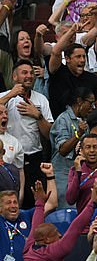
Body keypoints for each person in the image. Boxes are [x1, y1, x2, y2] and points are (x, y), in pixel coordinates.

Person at [24, 179, 97, 261]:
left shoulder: (28, 249)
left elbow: (36, 226)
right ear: (46, 240)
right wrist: (92, 204)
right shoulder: (51, 254)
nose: (60, 235)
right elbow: (75, 228)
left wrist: (40, 203)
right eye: (55, 233)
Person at [0, 60, 54, 208]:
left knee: (35, 203)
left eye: (31, 73)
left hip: (34, 157)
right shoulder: (5, 96)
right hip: (8, 158)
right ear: (14, 77)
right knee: (11, 202)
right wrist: (11, 94)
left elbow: (49, 133)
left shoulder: (41, 99)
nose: (29, 76)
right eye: (24, 73)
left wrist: (38, 116)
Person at [0, 164, 57, 261]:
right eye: (8, 203)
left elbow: (51, 204)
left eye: (15, 202)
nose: (13, 206)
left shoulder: (26, 215)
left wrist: (50, 176)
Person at [48, 17, 97, 118]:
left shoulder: (92, 79)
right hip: (61, 124)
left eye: (84, 56)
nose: (82, 60)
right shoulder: (58, 72)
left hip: (86, 123)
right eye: (78, 57)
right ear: (67, 59)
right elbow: (55, 51)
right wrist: (72, 31)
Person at [50, 87, 96, 208]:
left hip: (79, 173)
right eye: (90, 103)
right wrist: (78, 134)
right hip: (63, 175)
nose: (92, 108)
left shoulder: (84, 120)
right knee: (66, 212)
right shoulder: (63, 119)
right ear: (79, 101)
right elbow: (63, 150)